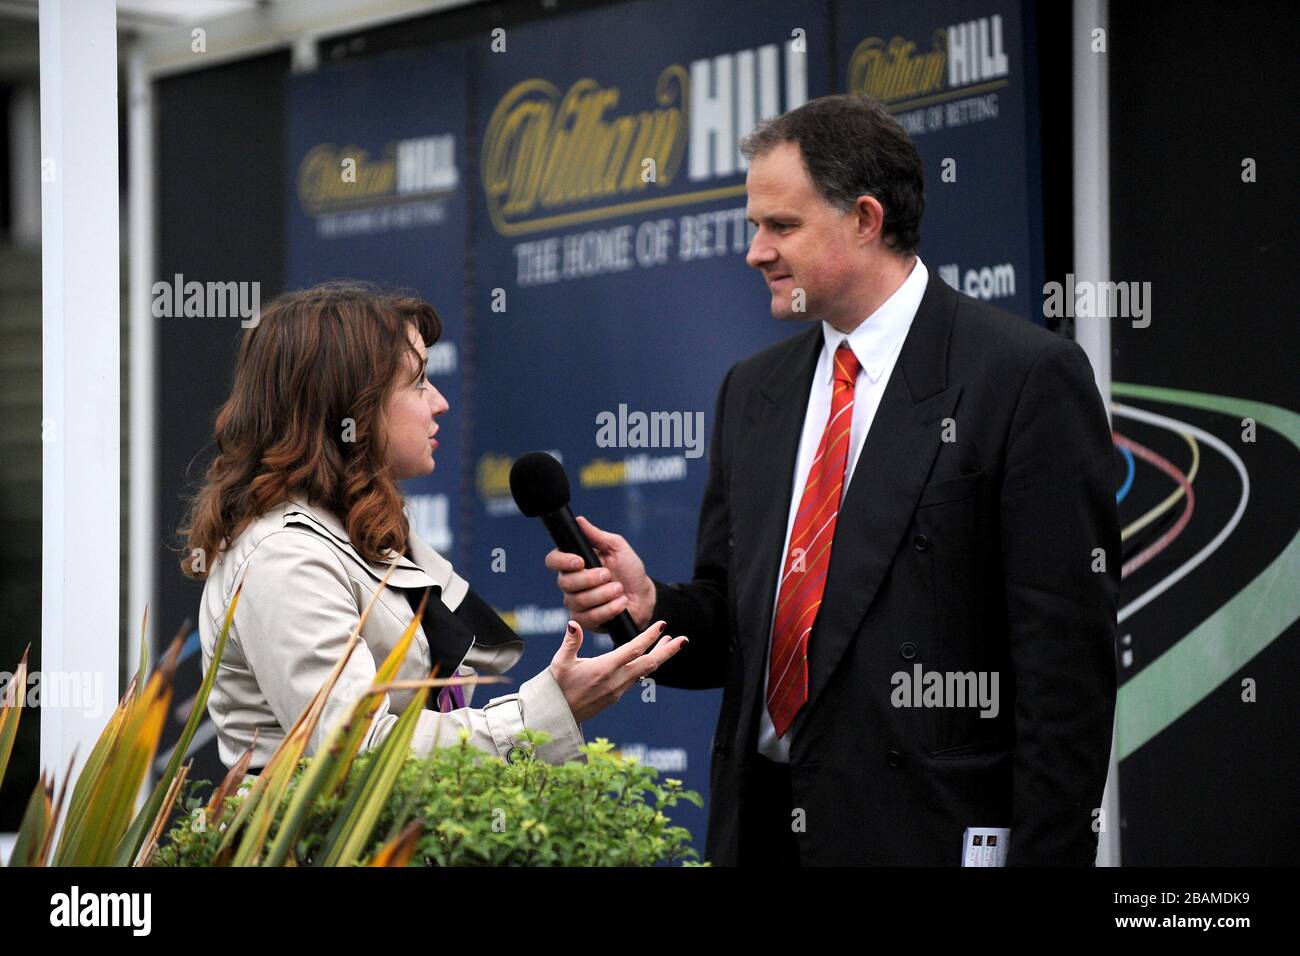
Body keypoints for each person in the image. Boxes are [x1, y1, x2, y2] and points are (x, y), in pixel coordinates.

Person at [546, 94, 1120, 865]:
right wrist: (649, 602)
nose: (756, 251)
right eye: (756, 226)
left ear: (866, 219)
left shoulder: (1021, 379)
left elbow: (1066, 677)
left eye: (781, 226)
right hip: (760, 834)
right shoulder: (753, 391)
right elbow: (733, 642)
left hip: (923, 839)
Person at [179, 281, 686, 774]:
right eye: (419, 382)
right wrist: (546, 713)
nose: (439, 402)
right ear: (349, 406)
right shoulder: (284, 556)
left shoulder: (361, 533)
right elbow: (357, 753)